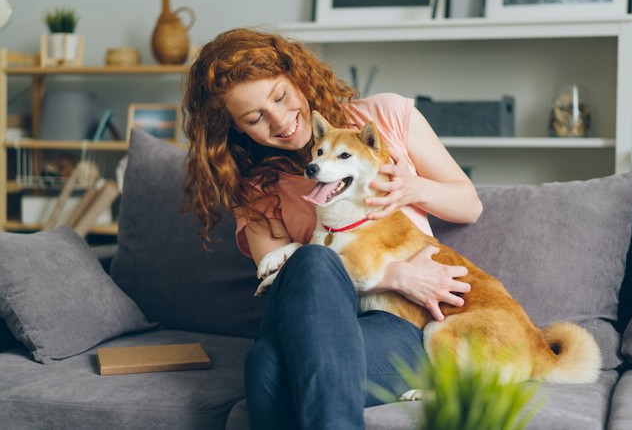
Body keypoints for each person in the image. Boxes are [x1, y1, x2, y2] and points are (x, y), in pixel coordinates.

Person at [182, 28, 483, 430]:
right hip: (307, 313)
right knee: (311, 259)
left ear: (297, 78)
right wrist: (394, 275)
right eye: (255, 118)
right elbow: (284, 280)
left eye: (281, 97)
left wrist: (413, 187)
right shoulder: (255, 187)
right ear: (237, 129)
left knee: (267, 366)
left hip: (395, 322)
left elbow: (469, 204)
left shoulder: (383, 116)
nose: (282, 121)